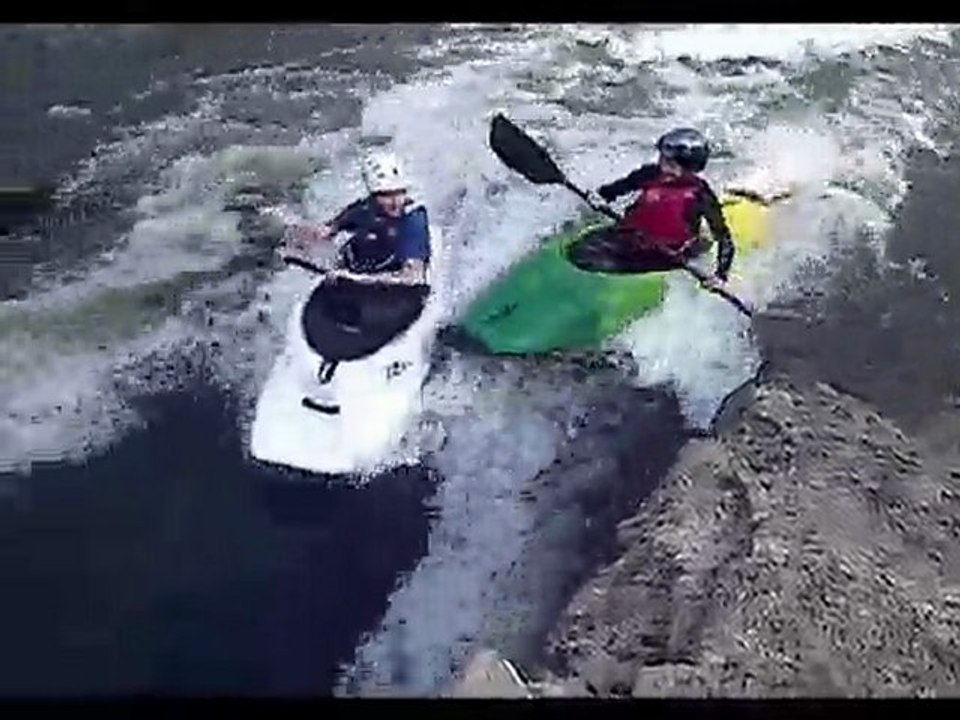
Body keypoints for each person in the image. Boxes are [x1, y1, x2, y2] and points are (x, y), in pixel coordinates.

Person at [575, 127, 733, 291]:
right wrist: (598, 198)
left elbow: (723, 237)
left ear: (689, 168)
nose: (662, 165)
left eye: (669, 162)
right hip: (632, 239)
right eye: (662, 159)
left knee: (594, 260)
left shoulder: (701, 195)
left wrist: (720, 275)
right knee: (579, 251)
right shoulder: (650, 174)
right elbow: (613, 191)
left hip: (667, 255)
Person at [283, 150, 431, 286]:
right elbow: (328, 230)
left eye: (399, 193)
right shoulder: (365, 208)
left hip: (386, 275)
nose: (395, 202)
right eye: (385, 195)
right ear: (373, 196)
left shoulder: (414, 219)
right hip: (353, 262)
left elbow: (412, 278)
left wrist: (355, 279)